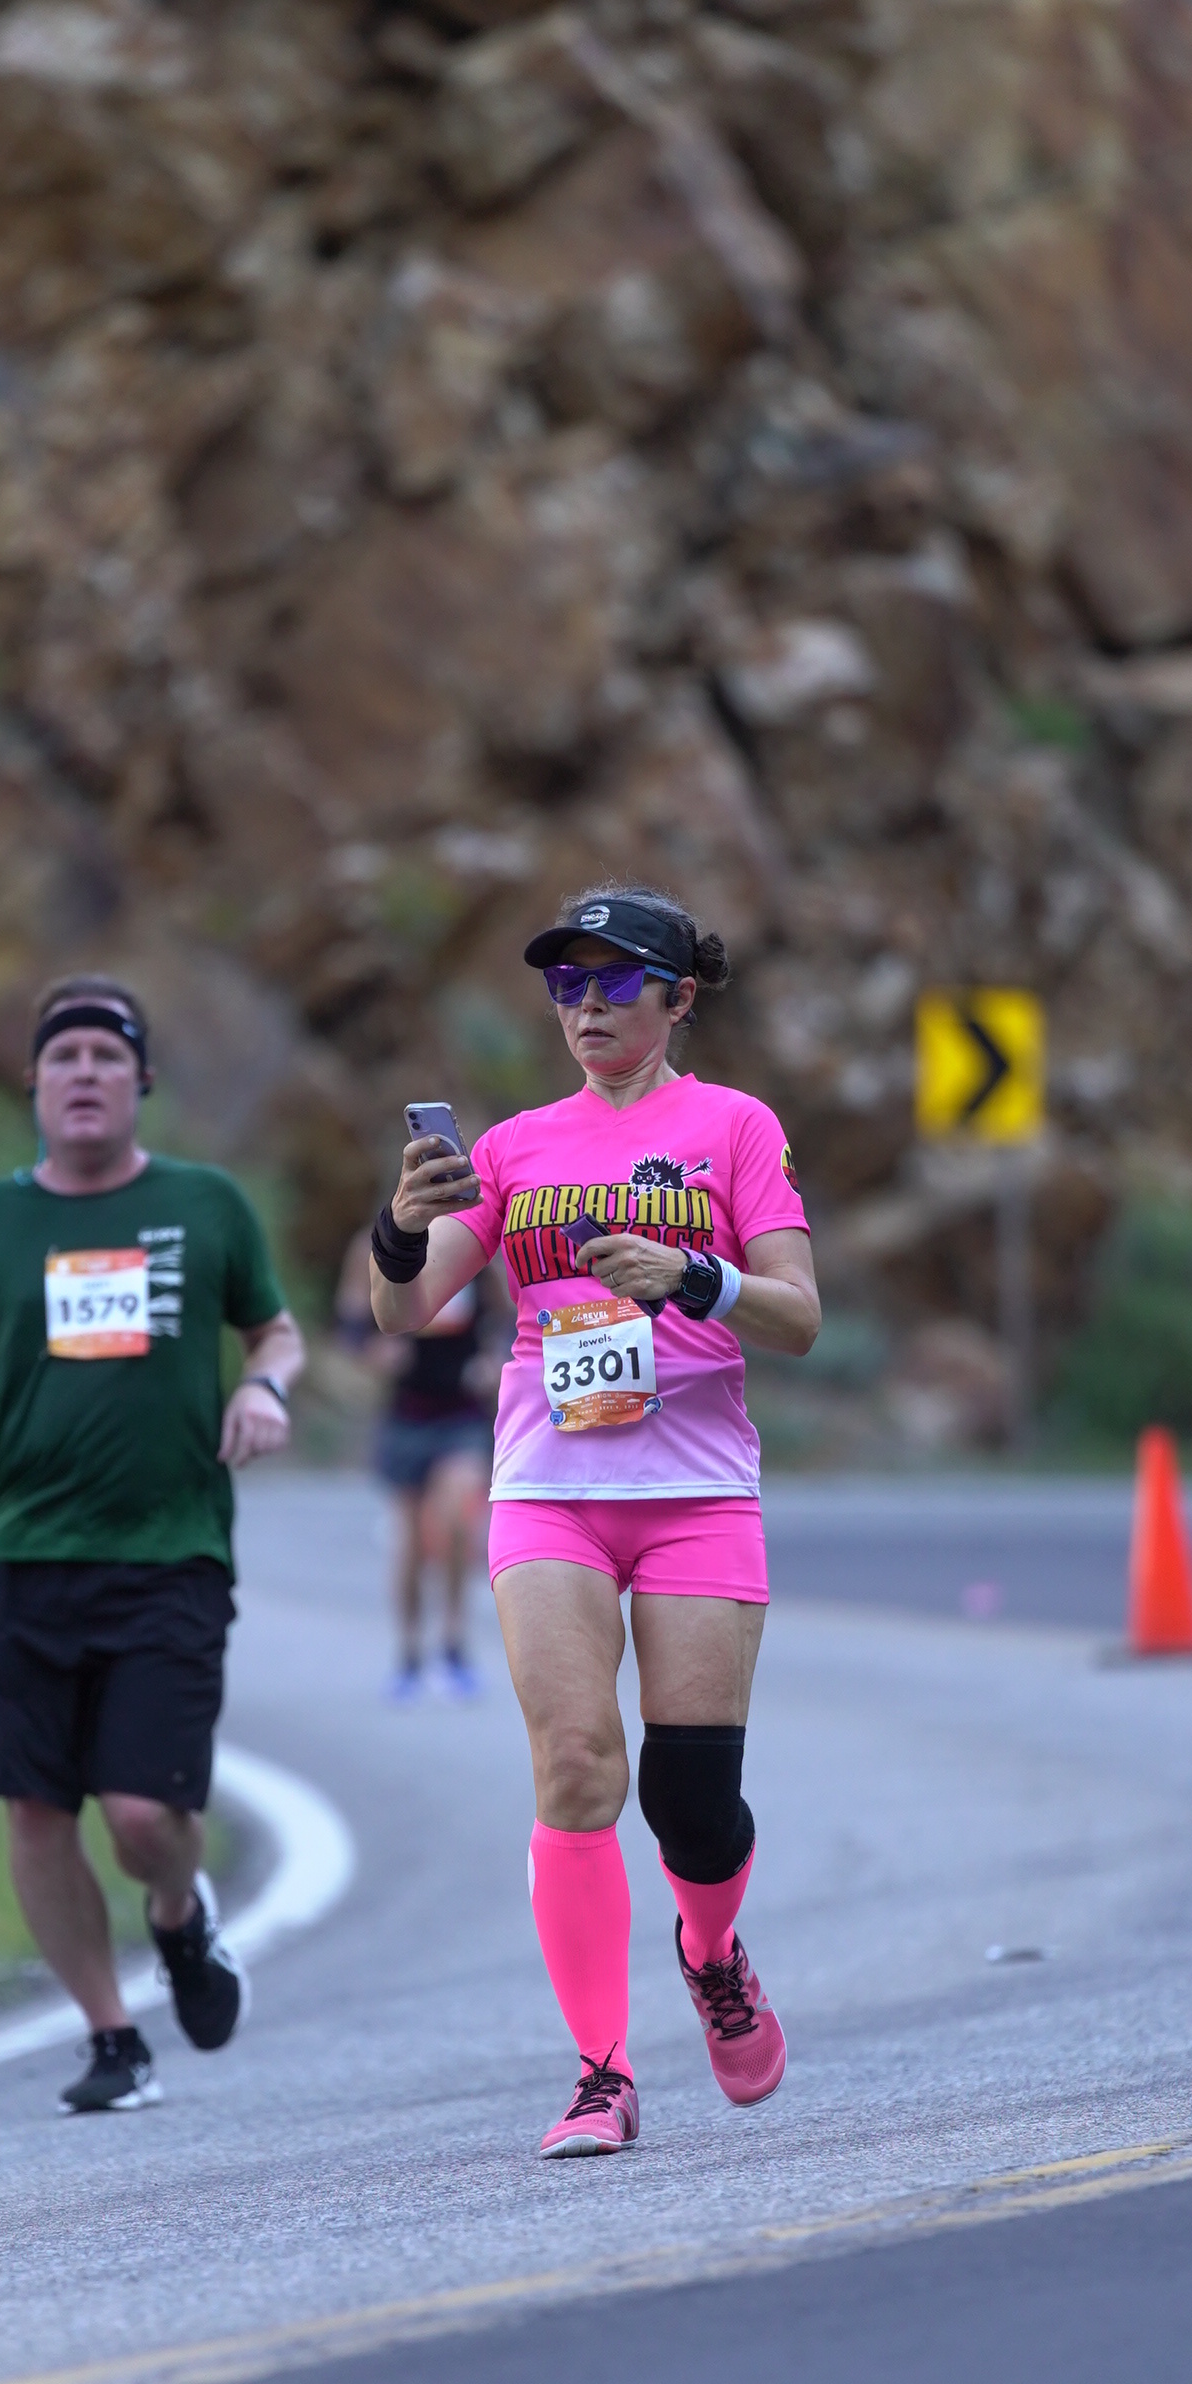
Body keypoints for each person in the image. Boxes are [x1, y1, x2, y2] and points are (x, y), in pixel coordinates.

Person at [368, 885, 820, 2160]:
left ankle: (711, 1950)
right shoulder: (513, 1149)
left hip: (695, 1494)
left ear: (678, 997)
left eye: (615, 981)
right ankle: (599, 2072)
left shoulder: (733, 1128)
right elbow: (404, 1311)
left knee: (691, 1806)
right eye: (565, 984)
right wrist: (397, 1230)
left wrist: (696, 1276)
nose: (585, 1006)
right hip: (548, 1489)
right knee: (574, 1768)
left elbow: (798, 1316)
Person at [0, 975, 305, 2114]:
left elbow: (276, 1332)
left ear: (141, 1081)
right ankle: (112, 2037)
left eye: (108, 1056)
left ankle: (179, 1915)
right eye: (64, 1057)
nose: (86, 1074)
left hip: (169, 1551)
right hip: (23, 1556)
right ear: (32, 1085)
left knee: (144, 1817)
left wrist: (261, 1388)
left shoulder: (204, 1204)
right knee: (35, 1808)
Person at [336, 1224, 501, 1699]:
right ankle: (409, 1653)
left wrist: (494, 1360)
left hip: (462, 1410)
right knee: (409, 1541)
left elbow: (506, 1312)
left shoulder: (476, 1234)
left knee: (457, 1524)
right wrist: (373, 1351)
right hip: (407, 1411)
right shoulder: (373, 1243)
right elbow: (350, 1322)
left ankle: (453, 1643)